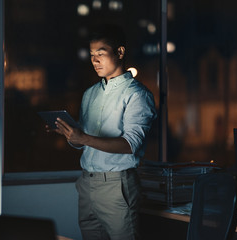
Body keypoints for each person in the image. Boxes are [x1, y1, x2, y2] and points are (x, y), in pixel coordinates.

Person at [48, 24, 157, 240]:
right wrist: (70, 134)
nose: (94, 60)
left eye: (101, 53)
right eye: (91, 55)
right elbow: (83, 142)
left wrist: (84, 137)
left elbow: (130, 145)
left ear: (120, 52)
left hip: (116, 186)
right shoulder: (90, 93)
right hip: (87, 184)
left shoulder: (137, 95)